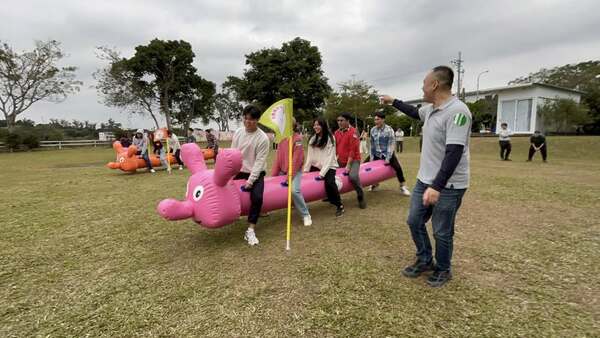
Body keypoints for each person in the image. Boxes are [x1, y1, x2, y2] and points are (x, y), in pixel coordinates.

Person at [380, 65, 471, 287]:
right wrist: (393, 101)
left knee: (441, 231)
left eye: (424, 83)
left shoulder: (458, 112)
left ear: (435, 84)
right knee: (414, 220)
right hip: (425, 180)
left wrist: (437, 186)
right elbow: (413, 112)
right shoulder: (431, 109)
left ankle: (443, 268)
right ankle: (424, 259)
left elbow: (454, 153)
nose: (422, 87)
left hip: (448, 185)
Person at [231, 105, 270, 246]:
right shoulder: (238, 133)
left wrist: (251, 181)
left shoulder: (263, 139)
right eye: (245, 119)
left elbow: (259, 163)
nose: (248, 122)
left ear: (257, 120)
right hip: (239, 170)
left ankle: (251, 229)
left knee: (257, 197)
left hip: (256, 171)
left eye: (251, 120)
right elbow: (233, 153)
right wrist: (230, 173)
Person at [271, 120, 312, 226]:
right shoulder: (281, 139)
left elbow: (296, 160)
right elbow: (278, 159)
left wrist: (289, 176)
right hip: (283, 171)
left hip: (295, 171)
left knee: (294, 190)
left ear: (293, 126)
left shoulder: (297, 139)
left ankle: (306, 215)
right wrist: (273, 177)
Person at [304, 118, 344, 217]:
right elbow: (310, 156)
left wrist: (322, 174)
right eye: (314, 125)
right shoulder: (313, 138)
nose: (315, 127)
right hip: (317, 165)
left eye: (318, 125)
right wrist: (306, 170)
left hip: (329, 165)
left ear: (323, 126)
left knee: (330, 183)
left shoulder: (330, 138)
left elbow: (330, 158)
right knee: (304, 181)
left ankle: (339, 205)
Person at [368, 112, 411, 196]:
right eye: (375, 119)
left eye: (378, 119)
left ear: (383, 119)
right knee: (366, 167)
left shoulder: (389, 130)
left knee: (398, 168)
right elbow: (372, 144)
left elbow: (391, 144)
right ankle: (375, 184)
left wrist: (388, 158)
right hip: (376, 153)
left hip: (387, 153)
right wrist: (371, 157)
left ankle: (403, 186)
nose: (376, 121)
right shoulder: (373, 129)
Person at [335, 113, 366, 209]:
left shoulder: (354, 132)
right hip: (340, 160)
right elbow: (335, 148)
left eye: (342, 120)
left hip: (354, 160)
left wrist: (348, 165)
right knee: (331, 176)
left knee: (352, 176)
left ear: (348, 121)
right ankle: (332, 196)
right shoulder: (336, 133)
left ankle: (361, 196)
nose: (339, 122)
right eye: (338, 120)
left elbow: (353, 150)